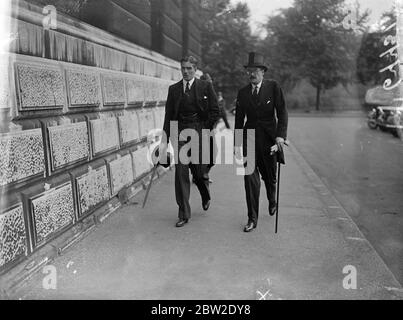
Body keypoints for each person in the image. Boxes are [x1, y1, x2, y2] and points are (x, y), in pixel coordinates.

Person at [160, 56, 220, 228]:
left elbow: (215, 111)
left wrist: (204, 129)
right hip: (179, 131)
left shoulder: (205, 86)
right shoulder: (174, 89)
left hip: (198, 130)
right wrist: (164, 141)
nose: (185, 71)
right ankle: (184, 213)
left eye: (189, 68)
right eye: (183, 68)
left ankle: (205, 192)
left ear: (195, 69)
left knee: (199, 171)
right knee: (181, 171)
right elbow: (168, 116)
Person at [234, 52, 288, 233]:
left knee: (270, 177)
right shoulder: (242, 93)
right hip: (250, 139)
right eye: (250, 70)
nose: (252, 74)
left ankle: (272, 199)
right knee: (249, 179)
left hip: (269, 140)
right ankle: (252, 218)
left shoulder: (273, 87)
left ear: (263, 72)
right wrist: (236, 143)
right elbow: (239, 119)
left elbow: (282, 113)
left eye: (256, 70)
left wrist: (280, 136)